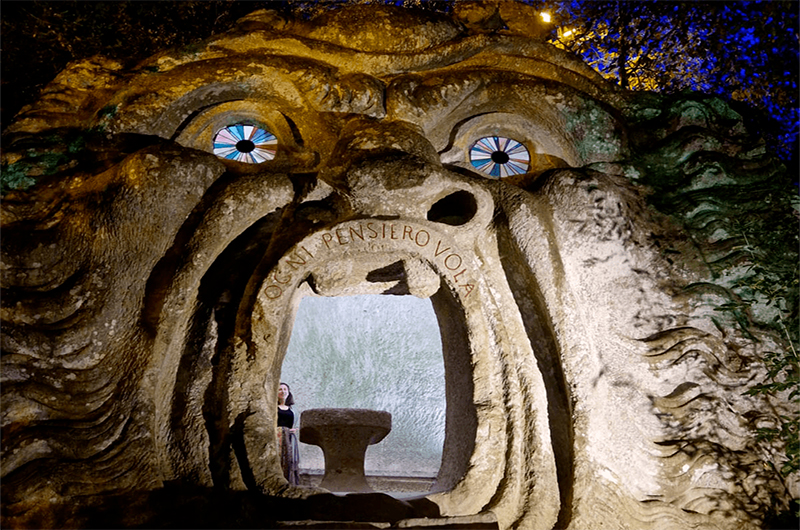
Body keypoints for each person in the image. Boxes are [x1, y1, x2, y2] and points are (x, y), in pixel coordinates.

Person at [277, 382, 300, 485]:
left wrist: (294, 429)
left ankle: (290, 483)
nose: (283, 391)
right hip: (277, 440)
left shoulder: (293, 409)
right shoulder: (273, 408)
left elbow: (294, 423)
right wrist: (282, 429)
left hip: (290, 439)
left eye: (285, 389)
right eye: (280, 389)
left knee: (290, 461)